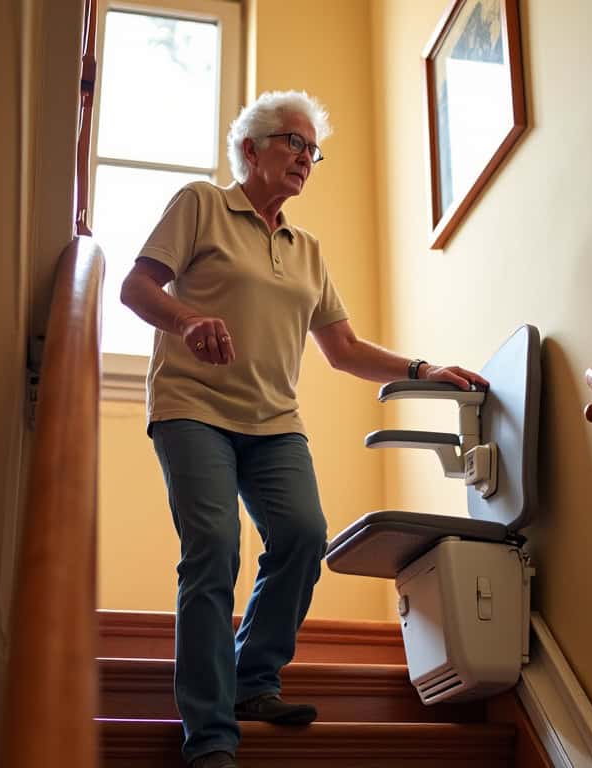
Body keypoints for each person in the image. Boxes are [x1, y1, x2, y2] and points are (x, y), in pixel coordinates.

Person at [119, 90, 488, 768]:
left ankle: (253, 681)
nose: (305, 158)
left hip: (274, 423)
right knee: (214, 547)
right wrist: (187, 322)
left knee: (302, 534)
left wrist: (421, 368)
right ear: (251, 149)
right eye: (293, 142)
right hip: (192, 409)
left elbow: (343, 349)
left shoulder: (306, 248)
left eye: (312, 150)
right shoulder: (201, 204)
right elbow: (137, 287)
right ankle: (208, 737)